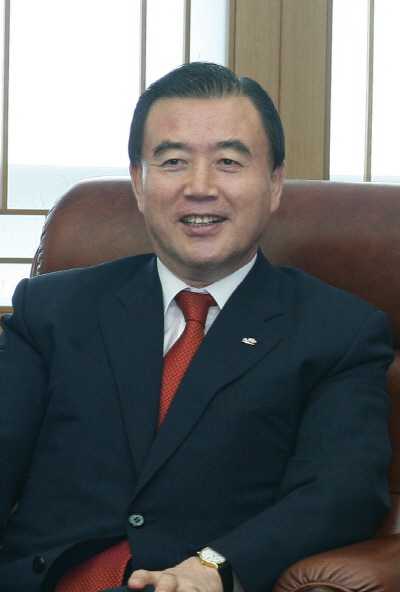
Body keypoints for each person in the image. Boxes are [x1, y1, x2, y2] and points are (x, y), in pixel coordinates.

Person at [0, 62, 394, 592]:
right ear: (139, 183)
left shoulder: (339, 332)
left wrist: (214, 567)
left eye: (229, 162)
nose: (200, 187)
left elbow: (340, 493)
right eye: (173, 162)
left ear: (275, 183)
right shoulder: (52, 309)